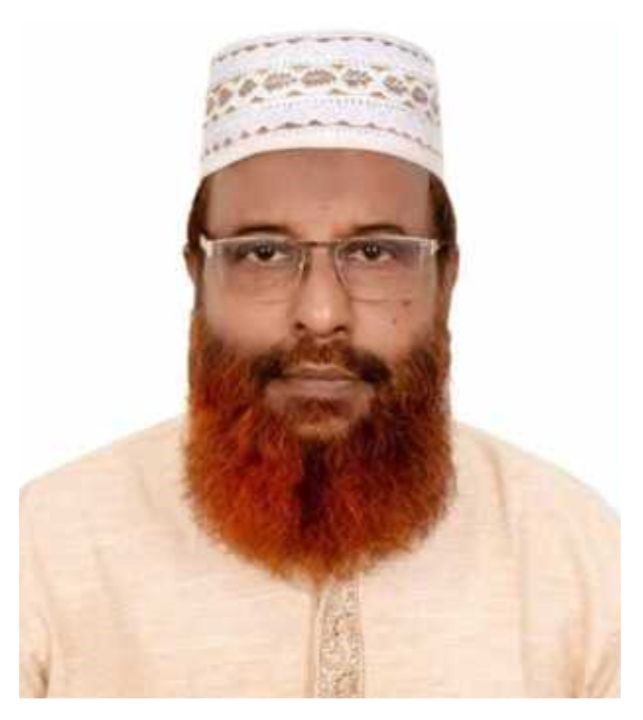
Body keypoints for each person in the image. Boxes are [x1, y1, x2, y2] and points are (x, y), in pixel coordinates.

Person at [19, 29, 619, 698]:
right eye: (263, 253)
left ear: (446, 278)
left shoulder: (582, 557)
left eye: (374, 253)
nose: (322, 313)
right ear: (197, 276)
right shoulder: (43, 549)